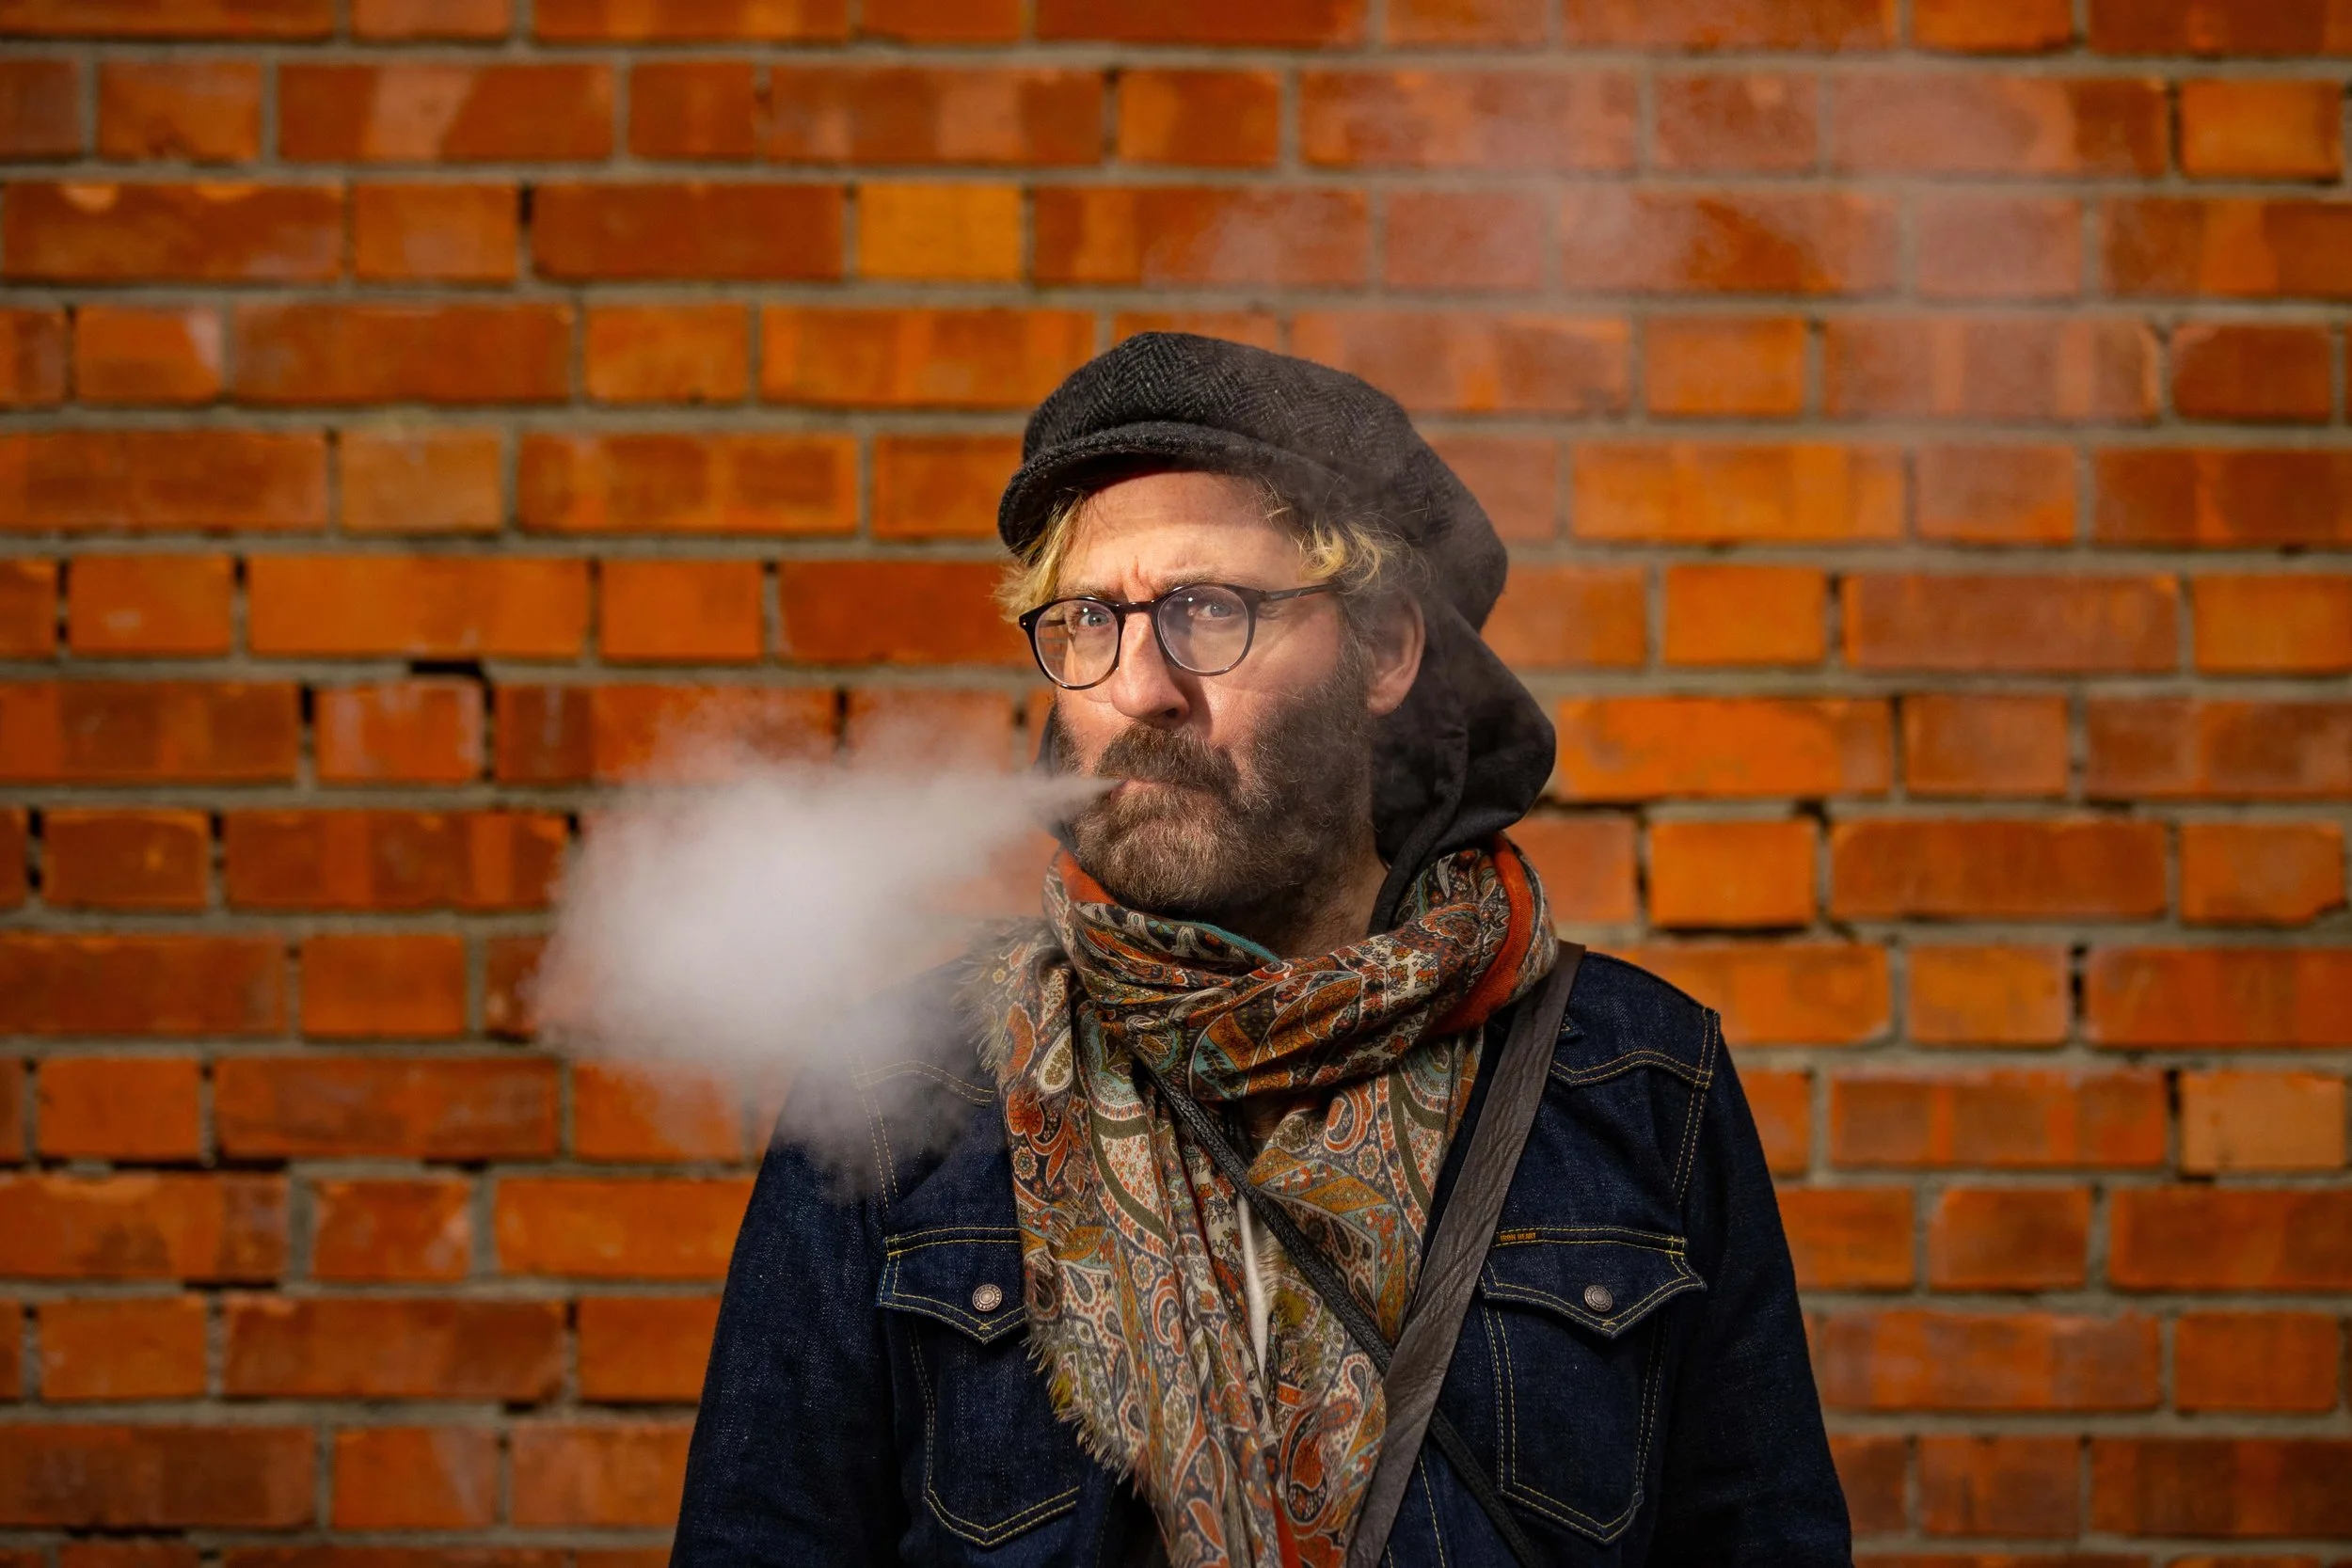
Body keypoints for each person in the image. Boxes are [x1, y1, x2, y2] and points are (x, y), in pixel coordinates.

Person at [671, 335, 1851, 1567]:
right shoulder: (893, 1097)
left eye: (1206, 609)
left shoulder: (1642, 1084)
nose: (1141, 689)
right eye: (1087, 619)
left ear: (1389, 648)